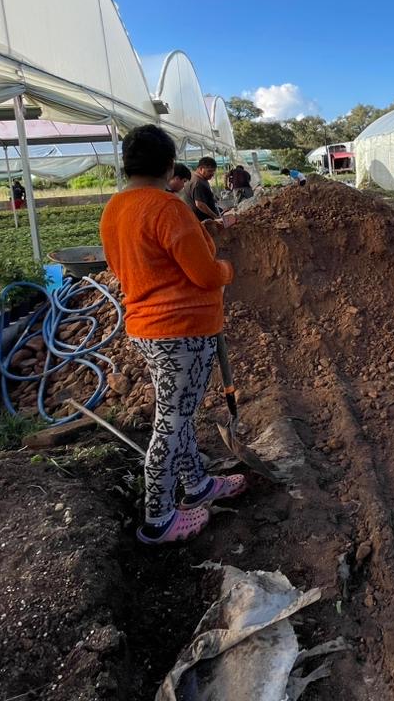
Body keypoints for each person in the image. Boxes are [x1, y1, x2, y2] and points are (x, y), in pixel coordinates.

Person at [99, 125, 245, 544]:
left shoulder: (114, 209)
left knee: (179, 415)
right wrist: (226, 271)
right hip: (179, 331)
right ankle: (159, 518)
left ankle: (196, 484)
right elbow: (202, 273)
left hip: (149, 328)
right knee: (172, 422)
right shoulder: (166, 208)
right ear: (168, 165)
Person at [183, 157, 223, 223]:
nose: (212, 174)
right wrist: (215, 217)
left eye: (213, 171)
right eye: (209, 171)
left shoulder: (200, 178)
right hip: (202, 221)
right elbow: (200, 204)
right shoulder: (197, 182)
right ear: (201, 169)